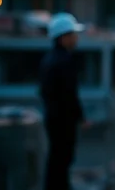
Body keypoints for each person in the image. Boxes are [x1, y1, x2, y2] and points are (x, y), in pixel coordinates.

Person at [39, 12, 87, 190]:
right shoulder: (65, 61)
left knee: (56, 160)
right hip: (64, 121)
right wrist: (80, 117)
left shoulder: (49, 60)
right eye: (73, 34)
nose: (76, 38)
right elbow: (70, 94)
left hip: (53, 118)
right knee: (62, 160)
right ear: (64, 37)